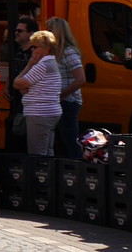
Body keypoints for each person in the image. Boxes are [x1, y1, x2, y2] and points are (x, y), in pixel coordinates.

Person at [14, 29, 65, 155]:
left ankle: (40, 175)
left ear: (46, 48)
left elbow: (17, 83)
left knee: (37, 153)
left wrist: (29, 65)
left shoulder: (42, 66)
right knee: (47, 150)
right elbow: (23, 86)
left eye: (35, 47)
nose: (32, 50)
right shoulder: (51, 63)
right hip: (50, 112)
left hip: (40, 113)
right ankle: (49, 174)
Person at [45, 16, 87, 156]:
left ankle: (77, 170)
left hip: (68, 102)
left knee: (69, 140)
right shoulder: (55, 52)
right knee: (60, 143)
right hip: (57, 102)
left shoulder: (67, 52)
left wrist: (61, 95)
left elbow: (80, 79)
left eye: (50, 30)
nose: (47, 33)